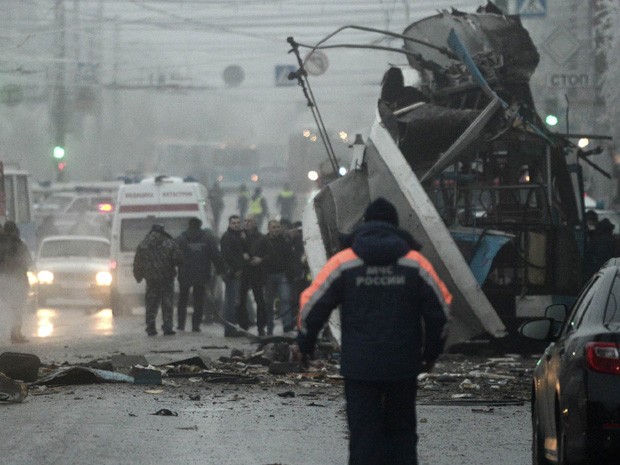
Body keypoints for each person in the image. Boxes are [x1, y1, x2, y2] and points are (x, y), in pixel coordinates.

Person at [294, 197, 451, 465]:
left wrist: (305, 345)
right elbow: (440, 309)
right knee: (402, 434)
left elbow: (312, 305)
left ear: (364, 224)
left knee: (363, 436)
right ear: (395, 226)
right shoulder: (415, 263)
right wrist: (431, 353)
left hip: (360, 367)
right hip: (403, 364)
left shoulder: (344, 262)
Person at [175, 217, 225, 332]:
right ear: (200, 225)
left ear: (189, 225)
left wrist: (177, 266)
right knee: (198, 300)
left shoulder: (180, 239)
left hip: (184, 274)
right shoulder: (207, 239)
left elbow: (174, 255)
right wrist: (221, 270)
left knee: (182, 300)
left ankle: (180, 325)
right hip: (201, 274)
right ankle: (195, 325)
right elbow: (216, 256)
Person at [133, 223, 183, 336]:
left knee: (151, 303)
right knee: (167, 303)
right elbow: (179, 259)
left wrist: (138, 276)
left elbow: (137, 263)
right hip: (167, 278)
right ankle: (167, 327)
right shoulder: (169, 243)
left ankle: (150, 327)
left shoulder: (144, 244)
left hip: (151, 279)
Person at [0, 222, 33, 344]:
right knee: (17, 308)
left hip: (3, 280)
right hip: (18, 280)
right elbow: (28, 262)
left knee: (5, 308)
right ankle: (15, 334)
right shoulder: (18, 243)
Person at [262, 219, 296, 335]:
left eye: (277, 227)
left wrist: (291, 274)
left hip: (282, 275)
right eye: (273, 227)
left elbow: (290, 258)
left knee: (285, 301)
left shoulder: (285, 241)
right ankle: (269, 328)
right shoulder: (263, 241)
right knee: (268, 304)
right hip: (268, 276)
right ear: (269, 229)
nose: (276, 229)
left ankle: (287, 327)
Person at [239, 215, 269, 335]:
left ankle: (261, 326)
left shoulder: (262, 238)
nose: (247, 223)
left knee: (259, 299)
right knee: (242, 299)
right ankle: (243, 325)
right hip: (244, 271)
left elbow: (269, 254)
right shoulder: (240, 237)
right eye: (245, 221)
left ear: (255, 224)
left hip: (257, 272)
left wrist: (261, 260)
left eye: (249, 221)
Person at [220, 215, 245, 337]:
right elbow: (227, 255)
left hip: (233, 273)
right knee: (231, 302)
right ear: (229, 224)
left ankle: (231, 328)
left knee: (232, 301)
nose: (236, 225)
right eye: (233, 223)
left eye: (237, 223)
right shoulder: (228, 237)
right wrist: (237, 268)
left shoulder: (237, 236)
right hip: (232, 274)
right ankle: (230, 329)